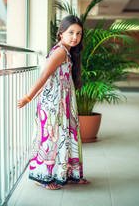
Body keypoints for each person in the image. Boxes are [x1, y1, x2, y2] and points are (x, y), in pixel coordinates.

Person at [17, 15, 89, 190]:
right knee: (52, 138)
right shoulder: (60, 51)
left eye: (79, 34)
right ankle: (43, 177)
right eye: (71, 32)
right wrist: (28, 97)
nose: (75, 37)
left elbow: (54, 78)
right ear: (61, 33)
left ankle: (67, 173)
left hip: (62, 103)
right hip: (55, 105)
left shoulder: (66, 51)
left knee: (66, 137)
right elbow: (44, 76)